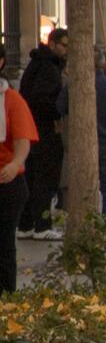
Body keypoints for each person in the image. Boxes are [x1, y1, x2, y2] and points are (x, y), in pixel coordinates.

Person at [55, 50, 106, 219]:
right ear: (103, 65)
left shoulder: (74, 86)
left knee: (84, 187)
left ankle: (85, 221)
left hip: (82, 144)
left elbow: (60, 108)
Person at [18, 28, 66, 238]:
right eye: (64, 45)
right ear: (53, 43)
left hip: (33, 128)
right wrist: (58, 112)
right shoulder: (47, 67)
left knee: (33, 176)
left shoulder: (39, 64)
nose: (67, 50)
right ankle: (41, 224)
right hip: (44, 129)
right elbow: (42, 99)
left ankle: (26, 223)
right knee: (45, 178)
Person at [0, 51, 37, 289]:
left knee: (3, 244)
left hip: (6, 182)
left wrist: (15, 164)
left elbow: (23, 138)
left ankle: (6, 296)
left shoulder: (11, 99)